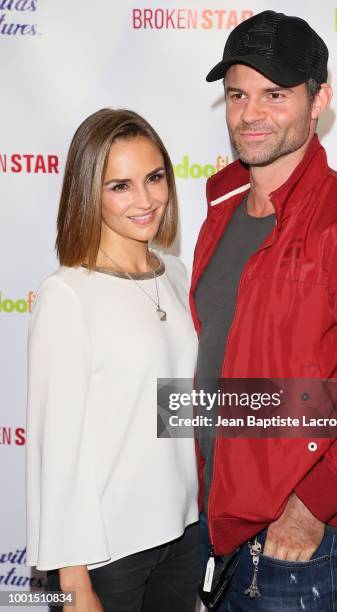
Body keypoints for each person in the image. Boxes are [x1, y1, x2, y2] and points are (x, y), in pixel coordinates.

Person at [190, 10, 337, 611]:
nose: (251, 113)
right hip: (221, 526)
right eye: (237, 94)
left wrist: (313, 503)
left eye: (275, 94)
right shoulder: (221, 211)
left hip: (302, 545)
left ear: (319, 101)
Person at [26, 108, 199, 612]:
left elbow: (180, 408)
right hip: (107, 554)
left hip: (183, 535)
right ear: (88, 194)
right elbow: (55, 447)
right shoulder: (67, 295)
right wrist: (72, 578)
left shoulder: (177, 274)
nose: (145, 200)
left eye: (154, 178)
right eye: (120, 186)